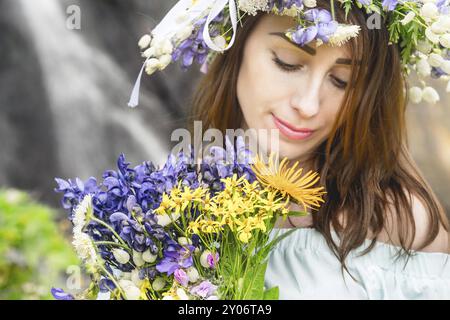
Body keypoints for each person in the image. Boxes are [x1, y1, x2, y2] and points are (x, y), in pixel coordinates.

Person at [130, 0, 450, 299]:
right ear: (236, 45)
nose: (308, 104)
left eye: (342, 81)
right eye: (288, 63)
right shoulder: (169, 202)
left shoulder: (399, 223)